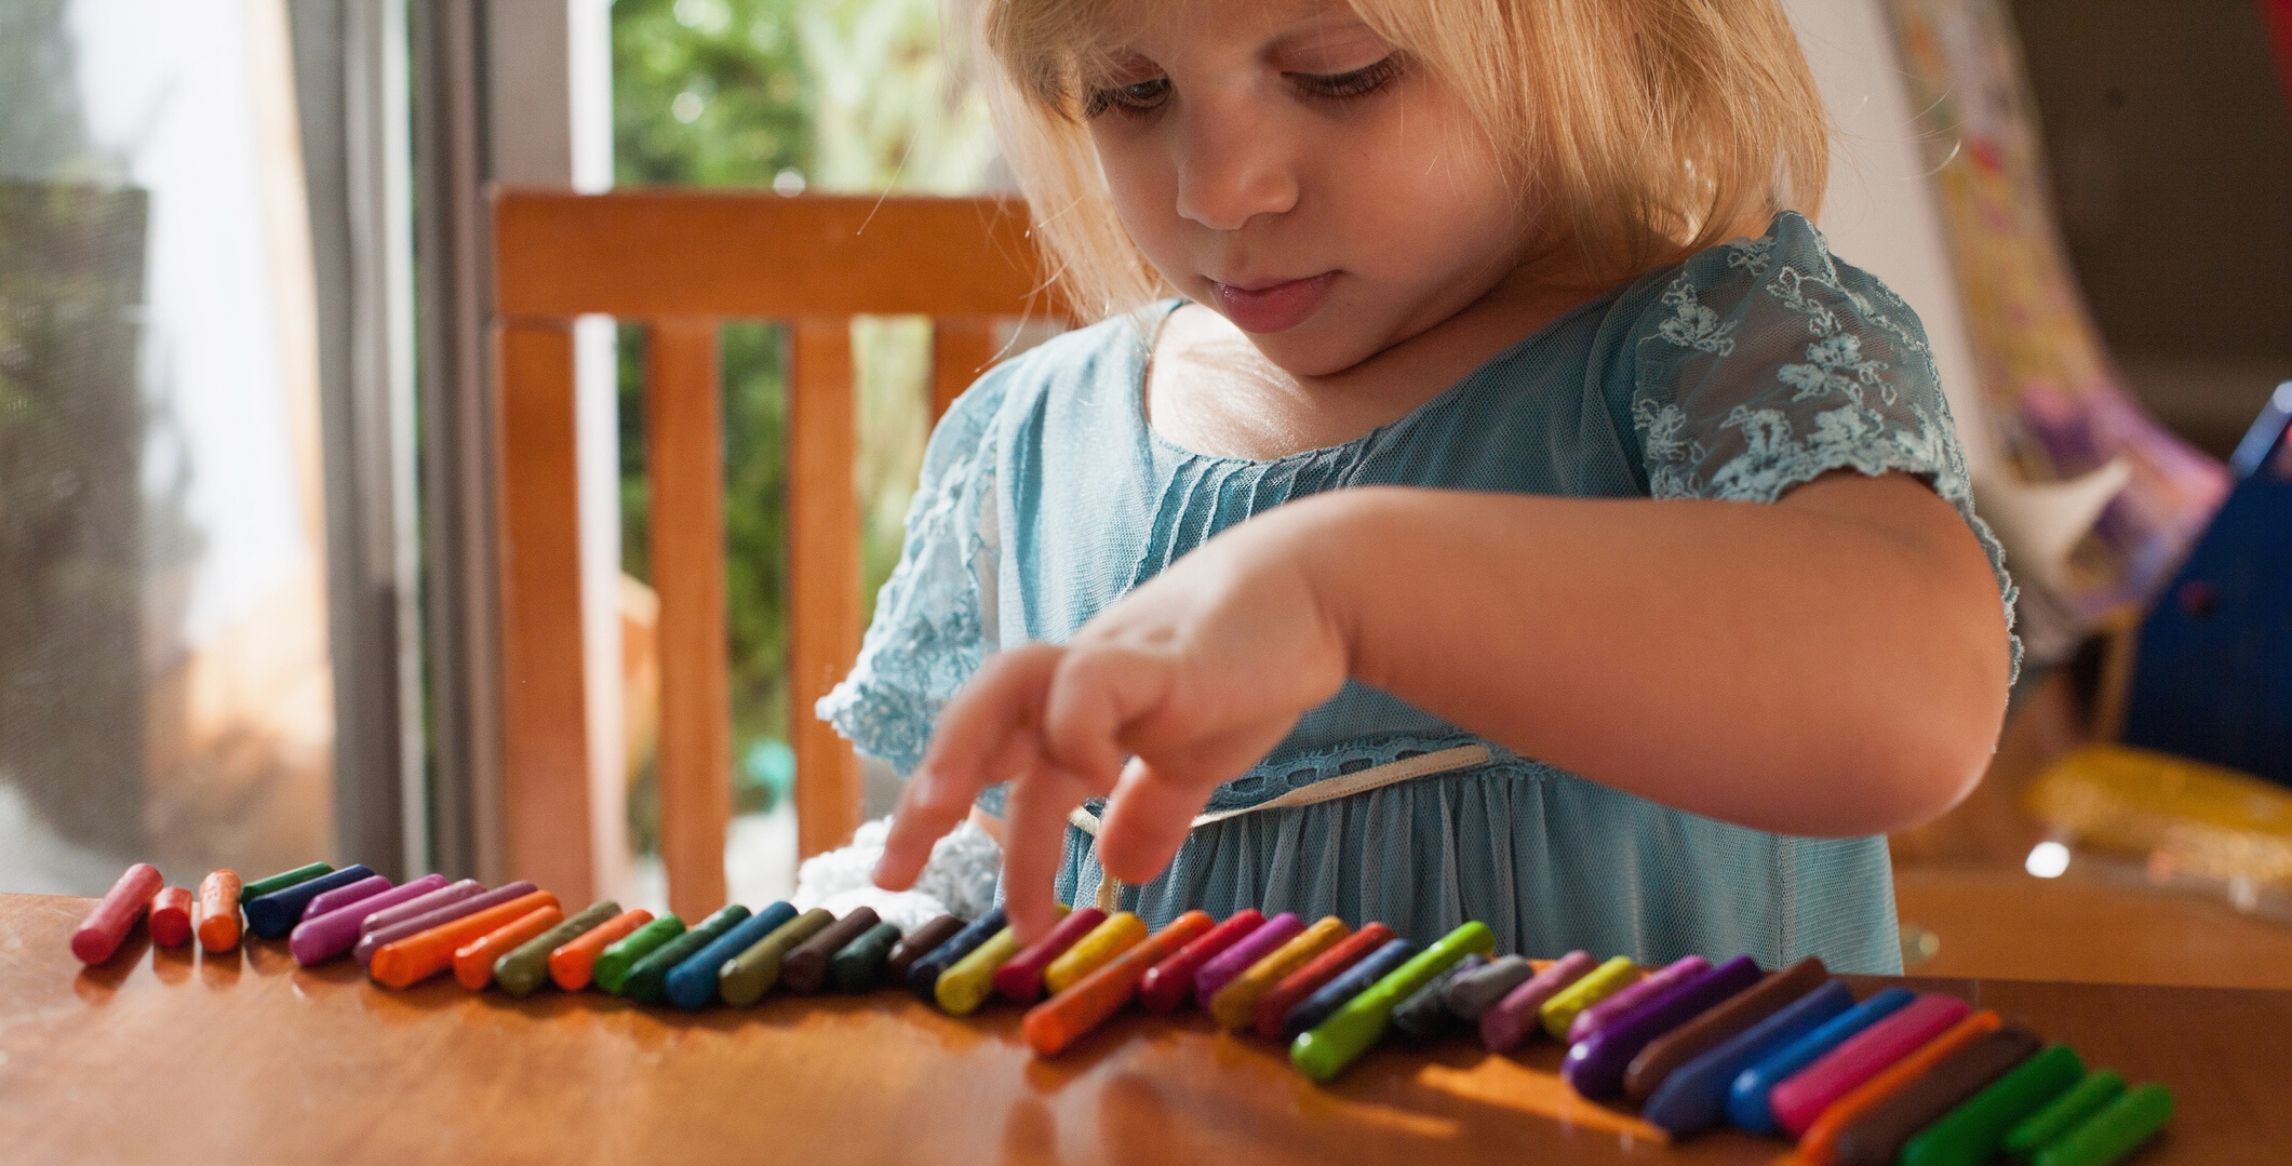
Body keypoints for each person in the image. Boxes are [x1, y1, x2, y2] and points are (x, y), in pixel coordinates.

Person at [817, 0, 2019, 973]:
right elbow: (990, 860)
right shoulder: (1031, 438)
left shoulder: (1713, 356)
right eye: (1132, 92)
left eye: (1342, 72)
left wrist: (1346, 587)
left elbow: (1918, 701)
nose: (1218, 189)